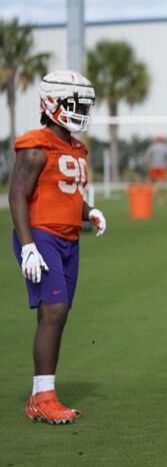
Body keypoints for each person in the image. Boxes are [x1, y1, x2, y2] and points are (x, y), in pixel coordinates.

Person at [8, 70, 107, 424]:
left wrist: (89, 211)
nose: (80, 110)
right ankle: (44, 397)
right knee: (55, 311)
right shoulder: (35, 144)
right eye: (73, 103)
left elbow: (68, 191)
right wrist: (28, 245)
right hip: (41, 235)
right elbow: (17, 195)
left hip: (68, 238)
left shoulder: (75, 146)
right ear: (52, 103)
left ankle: (41, 394)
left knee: (56, 315)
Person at [145, 134, 167, 200]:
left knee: (151, 183)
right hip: (162, 167)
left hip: (153, 166)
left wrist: (149, 163)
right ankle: (161, 198)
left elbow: (146, 155)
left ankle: (149, 196)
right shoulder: (165, 146)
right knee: (162, 183)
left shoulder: (153, 146)